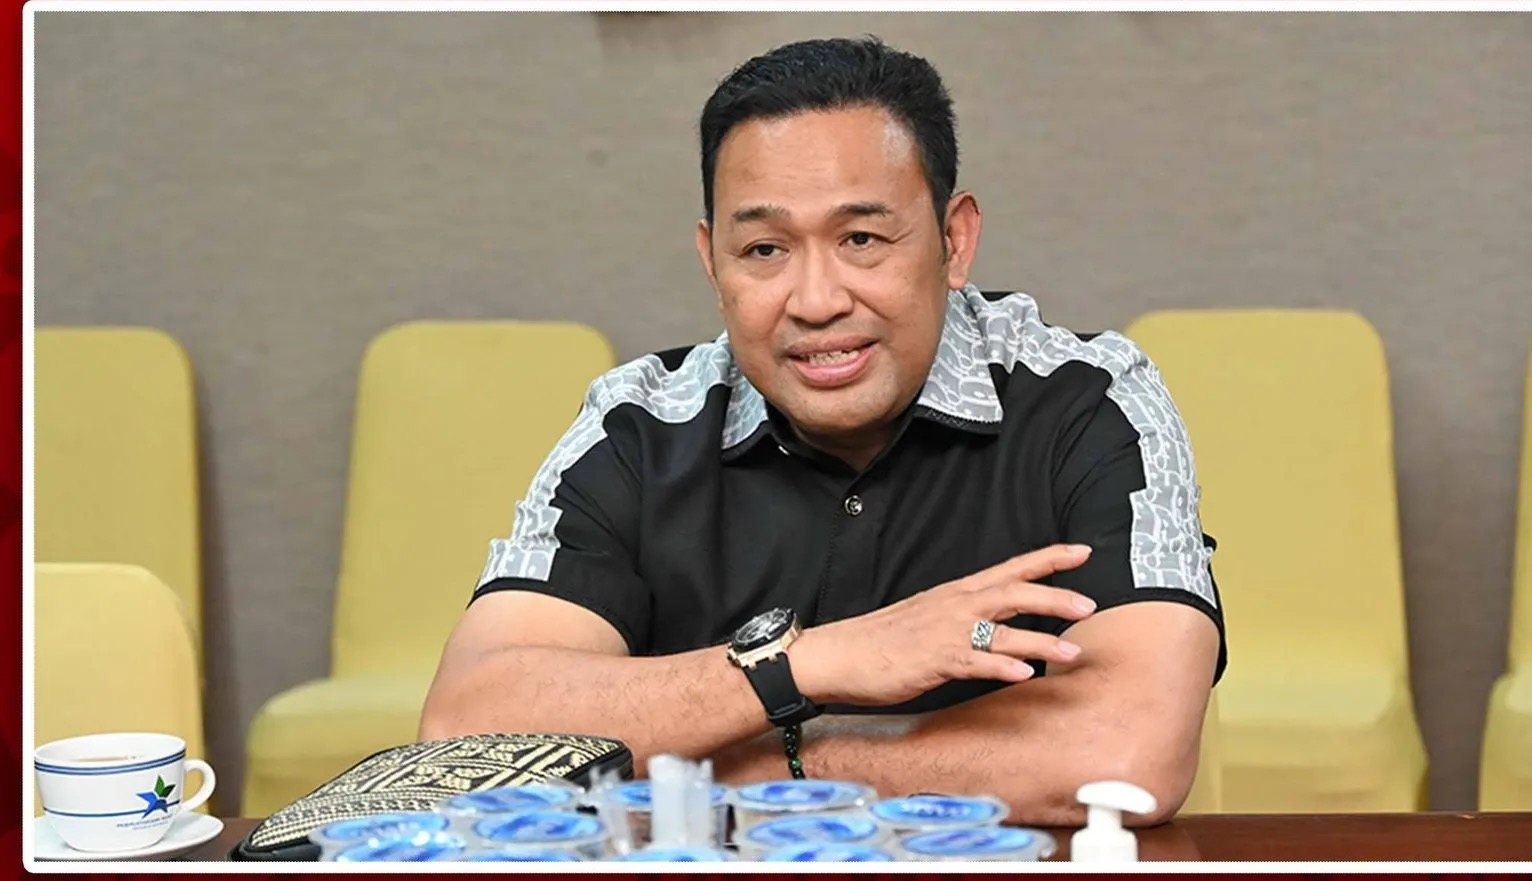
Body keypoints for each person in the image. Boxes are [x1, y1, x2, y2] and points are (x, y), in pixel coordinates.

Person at [419, 35, 1226, 827]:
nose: (814, 301)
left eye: (860, 239)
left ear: (954, 241)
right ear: (712, 261)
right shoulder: (637, 424)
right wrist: (805, 663)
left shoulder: (1090, 399)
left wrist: (739, 766)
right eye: (764, 248)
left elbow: (1126, 752)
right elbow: (467, 731)